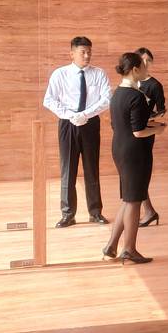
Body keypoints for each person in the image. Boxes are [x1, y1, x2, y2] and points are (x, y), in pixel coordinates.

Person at [43, 36, 112, 227]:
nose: (87, 55)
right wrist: (70, 115)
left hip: (90, 123)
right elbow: (49, 100)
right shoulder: (60, 74)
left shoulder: (99, 74)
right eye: (83, 52)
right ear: (72, 54)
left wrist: (85, 114)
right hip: (68, 124)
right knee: (68, 169)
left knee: (92, 168)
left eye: (89, 52)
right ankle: (68, 214)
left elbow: (107, 99)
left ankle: (95, 212)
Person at [103, 52, 165, 265]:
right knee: (135, 200)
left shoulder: (117, 93)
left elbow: (122, 123)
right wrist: (158, 129)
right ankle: (129, 249)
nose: (147, 69)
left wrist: (149, 125)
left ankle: (112, 245)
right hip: (134, 152)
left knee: (128, 199)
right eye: (144, 66)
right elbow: (138, 131)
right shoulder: (136, 96)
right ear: (135, 70)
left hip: (119, 148)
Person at [134, 47, 164, 227]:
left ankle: (146, 211)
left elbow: (161, 110)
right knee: (135, 174)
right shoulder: (131, 82)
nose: (146, 63)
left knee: (140, 173)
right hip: (131, 132)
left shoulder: (154, 85)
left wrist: (147, 118)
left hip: (145, 132)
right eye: (142, 60)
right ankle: (148, 211)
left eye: (149, 61)